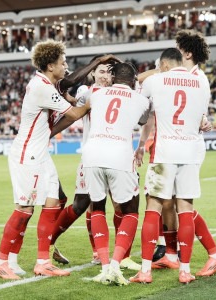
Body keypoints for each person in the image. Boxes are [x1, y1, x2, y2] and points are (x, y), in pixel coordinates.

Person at [0, 40, 109, 280]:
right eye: (62, 63)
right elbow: (75, 113)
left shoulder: (48, 83)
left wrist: (95, 65)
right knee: (25, 208)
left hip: (40, 151)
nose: (66, 67)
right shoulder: (41, 86)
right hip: (28, 153)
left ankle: (41, 261)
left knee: (56, 200)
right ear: (50, 65)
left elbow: (68, 113)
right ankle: (1, 260)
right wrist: (96, 99)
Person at [50, 56, 141, 271]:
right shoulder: (86, 93)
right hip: (93, 157)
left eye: (109, 72)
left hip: (118, 156)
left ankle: (123, 256)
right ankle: (50, 241)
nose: (105, 75)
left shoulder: (123, 93)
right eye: (101, 71)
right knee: (83, 205)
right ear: (92, 73)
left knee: (120, 205)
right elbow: (65, 98)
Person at [130, 48, 210, 284]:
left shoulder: (156, 80)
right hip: (190, 152)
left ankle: (145, 271)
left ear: (164, 64)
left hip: (165, 152)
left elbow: (140, 108)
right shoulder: (200, 82)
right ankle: (185, 271)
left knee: (153, 206)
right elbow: (203, 118)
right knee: (185, 209)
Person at [81, 63, 150, 285]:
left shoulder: (97, 92)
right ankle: (115, 264)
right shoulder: (140, 99)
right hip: (119, 154)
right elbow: (142, 121)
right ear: (134, 80)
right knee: (131, 211)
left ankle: (103, 266)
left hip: (92, 154)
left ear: (112, 77)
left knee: (97, 207)